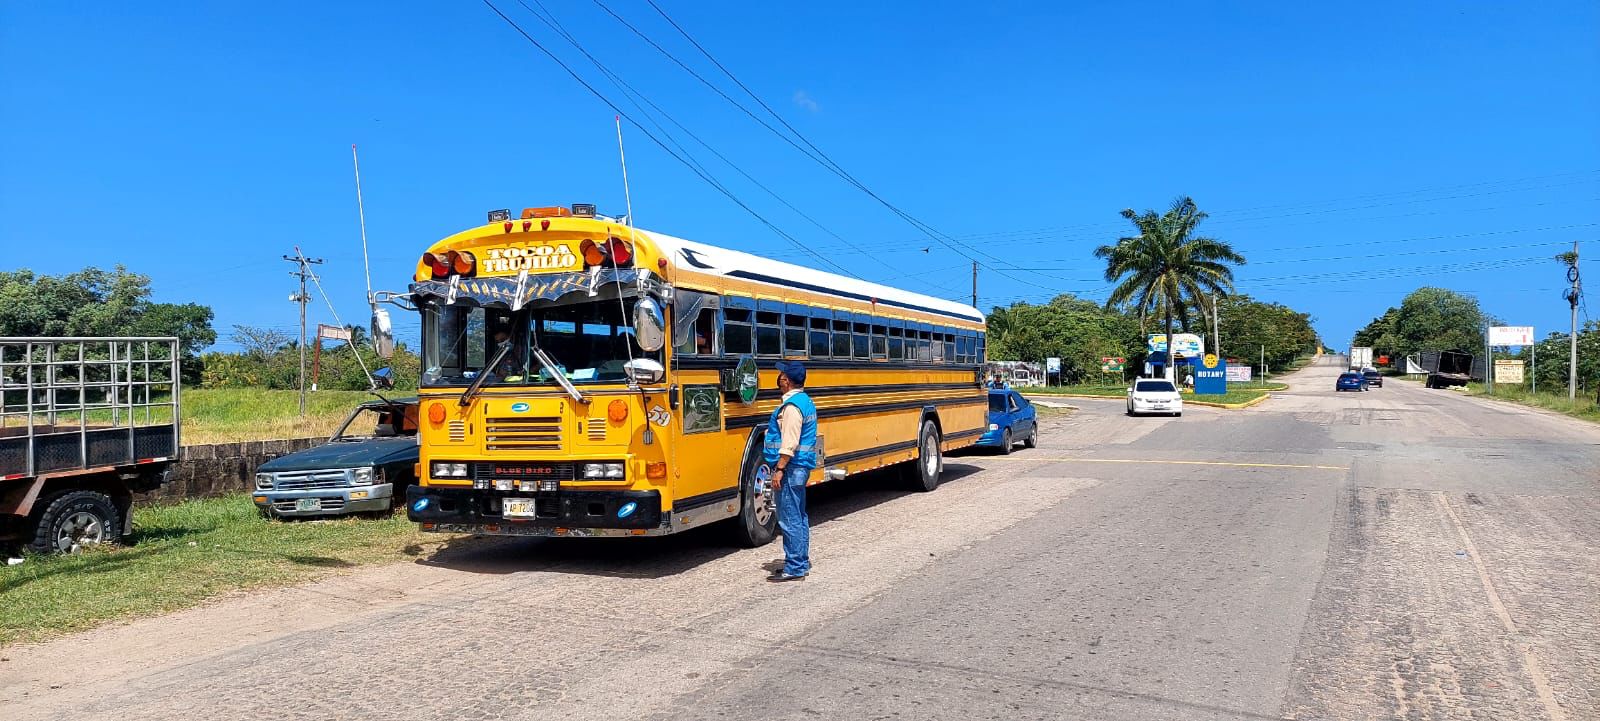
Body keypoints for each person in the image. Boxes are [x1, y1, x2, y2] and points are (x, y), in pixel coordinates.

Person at [763, 360, 817, 583]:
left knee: (790, 518)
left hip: (791, 467)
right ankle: (800, 562)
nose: (779, 377)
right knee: (799, 515)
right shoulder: (805, 401)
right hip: (800, 466)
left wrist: (779, 469)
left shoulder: (792, 407)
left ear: (786, 381)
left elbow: (790, 442)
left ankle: (794, 567)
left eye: (781, 374)